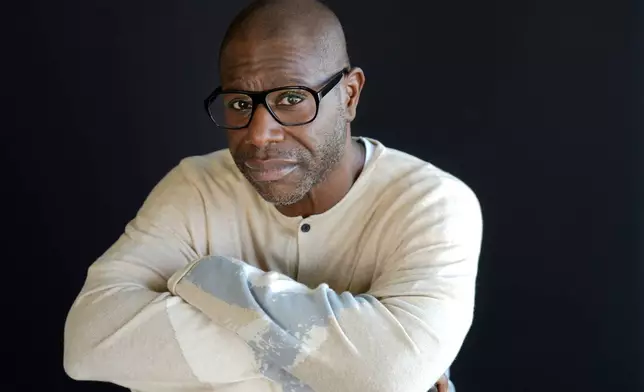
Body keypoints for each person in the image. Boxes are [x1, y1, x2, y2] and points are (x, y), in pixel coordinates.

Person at [63, 1, 483, 391]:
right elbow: (87, 344)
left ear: (349, 95)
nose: (260, 134)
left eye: (292, 98)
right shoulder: (196, 187)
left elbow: (390, 371)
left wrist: (212, 281)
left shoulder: (434, 204)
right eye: (240, 104)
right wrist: (335, 370)